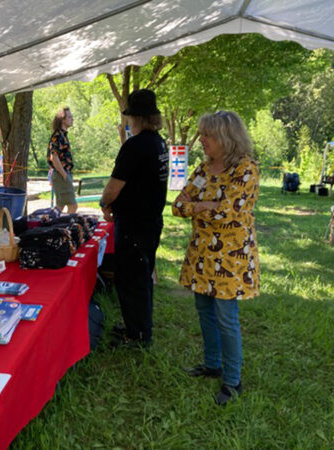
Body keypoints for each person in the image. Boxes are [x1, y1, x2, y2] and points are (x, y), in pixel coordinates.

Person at [172, 110, 260, 405]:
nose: (202, 140)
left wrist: (200, 206)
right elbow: (178, 205)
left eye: (207, 135)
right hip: (201, 253)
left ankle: (233, 381)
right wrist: (206, 204)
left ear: (225, 137)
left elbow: (229, 211)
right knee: (203, 309)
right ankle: (213, 365)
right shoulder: (203, 169)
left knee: (226, 317)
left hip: (230, 259)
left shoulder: (245, 170)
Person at [100, 89, 169, 349]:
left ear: (136, 118)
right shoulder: (159, 143)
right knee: (143, 275)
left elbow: (113, 188)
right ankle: (137, 326)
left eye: (129, 116)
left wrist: (105, 203)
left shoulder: (135, 146)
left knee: (131, 279)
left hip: (133, 224)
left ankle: (138, 335)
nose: (127, 121)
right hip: (150, 221)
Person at [47, 107, 77, 213]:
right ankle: (68, 228)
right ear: (62, 120)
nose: (72, 119)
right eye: (69, 117)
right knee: (72, 206)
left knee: (60, 207)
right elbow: (54, 157)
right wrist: (64, 175)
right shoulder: (57, 135)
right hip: (61, 174)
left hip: (62, 174)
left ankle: (53, 225)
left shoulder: (63, 135)